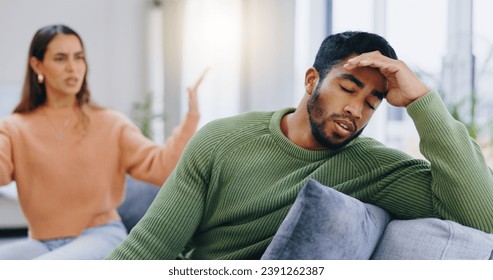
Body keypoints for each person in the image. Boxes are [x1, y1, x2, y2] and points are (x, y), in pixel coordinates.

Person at [106, 31, 493, 260]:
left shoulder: (373, 166)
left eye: (372, 102)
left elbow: (484, 219)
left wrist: (423, 102)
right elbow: (148, 248)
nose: (356, 110)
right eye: (347, 88)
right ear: (312, 80)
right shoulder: (220, 140)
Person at [0, 24, 206, 259]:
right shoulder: (14, 127)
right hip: (41, 241)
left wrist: (191, 119)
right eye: (60, 58)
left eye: (79, 58)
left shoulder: (110, 123)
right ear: (37, 65)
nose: (72, 67)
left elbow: (161, 167)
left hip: (101, 236)